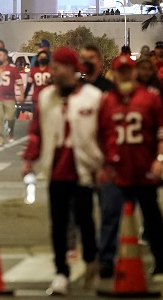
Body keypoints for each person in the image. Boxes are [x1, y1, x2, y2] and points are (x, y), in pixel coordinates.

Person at [22, 46, 105, 296]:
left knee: (85, 220)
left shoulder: (93, 97)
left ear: (69, 68)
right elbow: (36, 130)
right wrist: (29, 159)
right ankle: (61, 272)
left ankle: (91, 260)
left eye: (56, 67)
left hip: (84, 169)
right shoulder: (46, 97)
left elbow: (105, 132)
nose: (52, 71)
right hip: (56, 170)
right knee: (58, 224)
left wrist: (105, 165)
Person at [96, 54, 163, 279]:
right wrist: (100, 164)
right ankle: (106, 260)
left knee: (151, 215)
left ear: (134, 72)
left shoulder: (150, 98)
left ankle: (161, 259)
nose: (125, 75)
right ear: (115, 74)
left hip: (143, 167)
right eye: (121, 71)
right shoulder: (107, 100)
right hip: (116, 168)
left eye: (128, 70)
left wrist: (159, 159)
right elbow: (99, 136)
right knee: (110, 214)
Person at [0, 47, 21, 146]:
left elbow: (20, 83)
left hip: (9, 97)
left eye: (0, 55)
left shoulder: (13, 69)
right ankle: (0, 140)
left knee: (10, 118)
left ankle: (10, 132)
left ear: (5, 56)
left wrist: (21, 94)